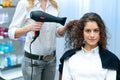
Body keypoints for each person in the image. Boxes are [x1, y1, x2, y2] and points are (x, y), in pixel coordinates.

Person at [8, 0, 69, 80]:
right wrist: (29, 28)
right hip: (33, 62)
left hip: (51, 61)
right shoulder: (25, 3)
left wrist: (65, 28)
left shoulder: (54, 5)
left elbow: (57, 31)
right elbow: (11, 32)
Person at [59, 12, 120, 80]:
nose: (92, 35)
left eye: (96, 30)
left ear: (101, 32)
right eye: (88, 31)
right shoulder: (69, 57)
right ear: (82, 32)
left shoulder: (111, 59)